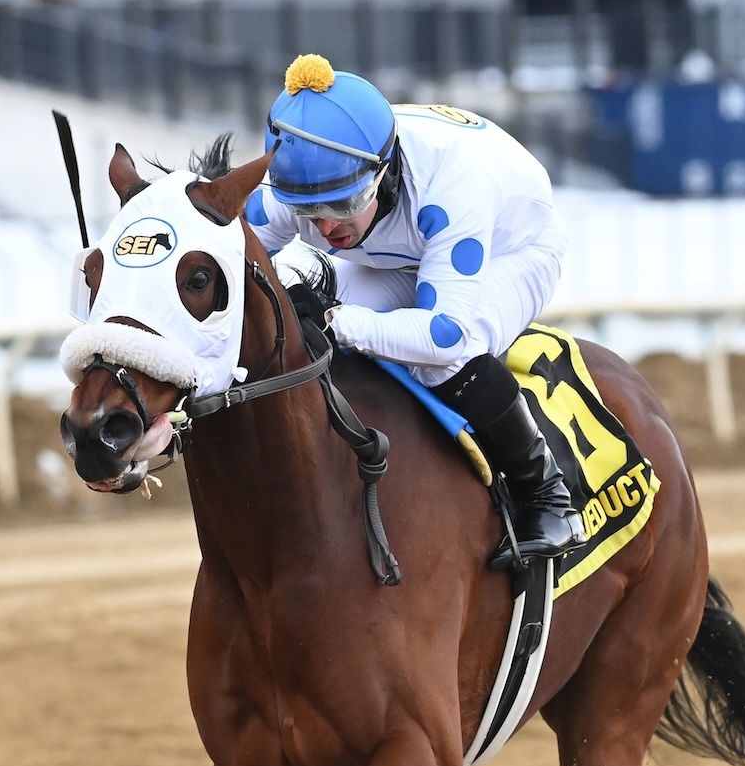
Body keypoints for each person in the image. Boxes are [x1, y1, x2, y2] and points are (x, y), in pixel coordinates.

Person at [245, 53, 585, 570]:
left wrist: (341, 323)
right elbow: (226, 252)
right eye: (309, 212)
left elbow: (441, 334)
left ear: (382, 173)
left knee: (439, 355)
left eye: (343, 204)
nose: (327, 227)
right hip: (398, 250)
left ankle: (546, 494)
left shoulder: (454, 187)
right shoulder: (307, 174)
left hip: (510, 250)